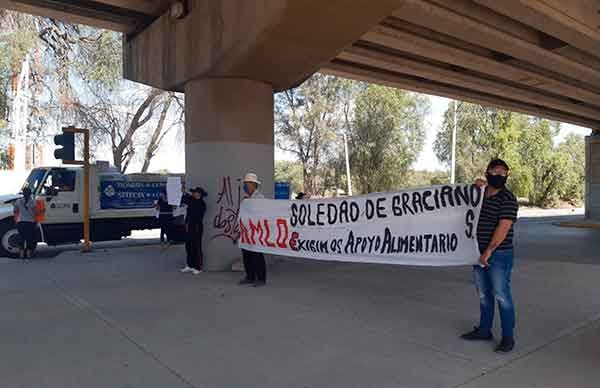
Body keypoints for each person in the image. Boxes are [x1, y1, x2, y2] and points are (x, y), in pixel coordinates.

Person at [461, 159, 519, 353]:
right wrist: (474, 186)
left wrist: (489, 251)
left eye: (504, 173)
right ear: (487, 172)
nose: (500, 176)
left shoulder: (508, 199)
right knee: (484, 294)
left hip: (498, 254)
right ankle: (484, 330)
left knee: (502, 295)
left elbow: (503, 228)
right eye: (496, 171)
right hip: (477, 252)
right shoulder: (479, 195)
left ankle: (508, 337)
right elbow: (458, 203)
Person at [238, 173, 267, 287]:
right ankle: (250, 276)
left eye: (246, 184)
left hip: (256, 232)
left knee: (257, 255)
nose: (245, 186)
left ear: (252, 185)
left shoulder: (260, 198)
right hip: (247, 232)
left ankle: (261, 279)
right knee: (247, 254)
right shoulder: (248, 199)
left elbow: (261, 214)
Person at [181, 187, 206, 275]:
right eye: (194, 193)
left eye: (196, 193)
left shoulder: (202, 204)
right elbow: (184, 200)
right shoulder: (191, 200)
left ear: (200, 194)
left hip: (197, 226)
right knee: (188, 246)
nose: (194, 194)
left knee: (196, 247)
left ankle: (198, 267)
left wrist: (188, 197)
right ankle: (189, 265)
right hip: (189, 226)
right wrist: (184, 192)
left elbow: (197, 215)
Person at [13, 187, 38, 259]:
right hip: (30, 222)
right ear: (30, 194)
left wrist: (16, 220)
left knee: (21, 238)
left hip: (21, 222)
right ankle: (28, 254)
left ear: (23, 194)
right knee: (29, 238)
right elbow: (36, 213)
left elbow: (15, 211)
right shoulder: (33, 202)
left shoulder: (18, 201)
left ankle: (21, 254)